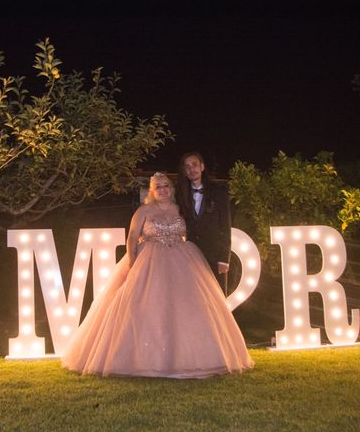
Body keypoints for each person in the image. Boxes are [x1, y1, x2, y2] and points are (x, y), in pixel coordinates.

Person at [62, 172, 253, 378]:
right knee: (146, 308)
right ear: (152, 192)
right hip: (149, 262)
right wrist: (133, 265)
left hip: (183, 262)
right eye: (158, 187)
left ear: (172, 189)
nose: (163, 190)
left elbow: (193, 232)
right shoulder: (143, 210)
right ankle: (141, 361)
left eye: (166, 186)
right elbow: (132, 238)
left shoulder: (181, 209)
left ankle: (188, 358)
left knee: (185, 308)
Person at [176, 151, 232, 293]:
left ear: (202, 166)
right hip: (190, 256)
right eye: (187, 167)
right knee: (194, 296)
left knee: (217, 297)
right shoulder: (180, 194)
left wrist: (224, 258)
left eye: (194, 164)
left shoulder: (219, 191)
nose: (191, 169)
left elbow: (226, 226)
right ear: (184, 171)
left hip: (214, 255)